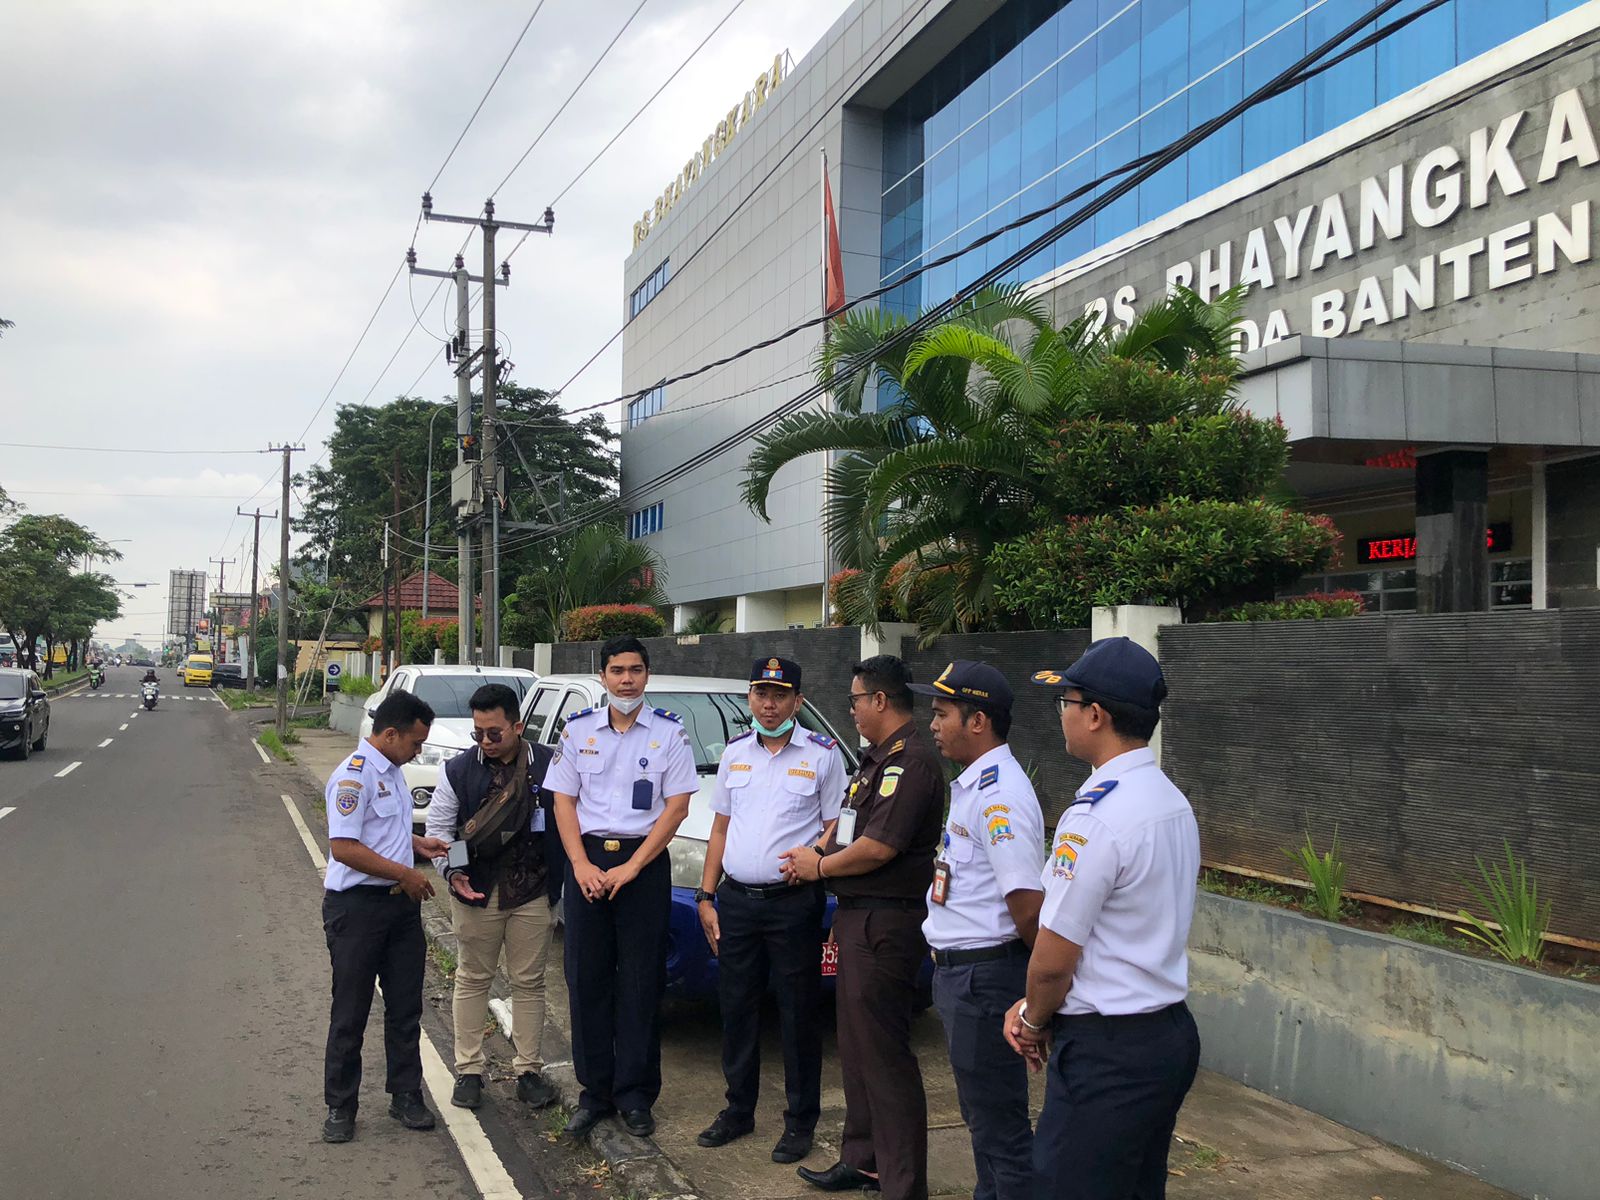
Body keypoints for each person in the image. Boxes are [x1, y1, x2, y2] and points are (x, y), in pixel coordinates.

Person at [1003, 637, 1202, 1200]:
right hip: (1165, 1034)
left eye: (1064, 702)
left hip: (1109, 1051)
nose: (1061, 714)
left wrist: (1033, 1019)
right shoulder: (1170, 800)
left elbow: (1053, 958)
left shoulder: (1094, 817)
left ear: (1095, 715)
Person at [781, 655, 943, 1200]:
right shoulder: (874, 761)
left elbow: (879, 847)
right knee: (856, 1048)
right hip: (858, 916)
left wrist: (818, 867)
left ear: (879, 700)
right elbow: (852, 833)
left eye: (853, 700)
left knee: (885, 1055)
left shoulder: (910, 762)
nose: (849, 710)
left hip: (887, 922)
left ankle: (902, 1183)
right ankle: (864, 1159)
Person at [545, 635, 698, 1139]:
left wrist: (632, 868)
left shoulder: (670, 735)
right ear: (603, 676)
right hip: (586, 865)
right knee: (586, 980)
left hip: (643, 868)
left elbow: (677, 807)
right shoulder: (579, 729)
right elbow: (562, 802)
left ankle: (635, 1095)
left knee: (639, 984)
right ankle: (595, 1095)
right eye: (617, 670)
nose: (626, 679)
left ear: (647, 675)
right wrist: (579, 865)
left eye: (635, 670)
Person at [695, 656, 846, 1164]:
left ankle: (801, 1121)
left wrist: (817, 857)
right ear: (750, 697)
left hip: (792, 906)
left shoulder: (823, 756)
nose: (769, 703)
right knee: (736, 1008)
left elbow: (835, 827)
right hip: (737, 902)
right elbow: (719, 829)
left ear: (798, 702)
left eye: (780, 695)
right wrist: (706, 895)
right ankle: (738, 1111)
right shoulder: (735, 753)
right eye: (761, 692)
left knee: (798, 1013)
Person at [908, 661, 1044, 1200]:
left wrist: (1038, 995)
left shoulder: (1000, 796)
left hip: (987, 979)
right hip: (963, 977)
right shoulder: (974, 786)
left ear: (978, 720)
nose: (933, 724)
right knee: (982, 1120)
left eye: (942, 714)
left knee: (1000, 1128)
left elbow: (1027, 907)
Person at [320, 689, 452, 1144]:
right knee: (351, 1011)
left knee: (405, 1008)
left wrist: (417, 845)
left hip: (399, 908)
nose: (418, 751)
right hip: (357, 910)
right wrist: (407, 873)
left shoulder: (393, 771)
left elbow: (383, 831)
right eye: (415, 743)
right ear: (390, 733)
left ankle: (406, 1095)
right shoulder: (353, 777)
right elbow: (345, 847)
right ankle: (340, 1106)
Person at [425, 682, 560, 1113]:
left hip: (533, 892)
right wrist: (454, 873)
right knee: (472, 978)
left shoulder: (551, 763)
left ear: (517, 726)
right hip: (476, 891)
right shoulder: (457, 771)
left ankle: (528, 1071)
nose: (484, 741)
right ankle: (468, 1071)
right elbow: (441, 833)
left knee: (529, 982)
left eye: (494, 733)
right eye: (477, 732)